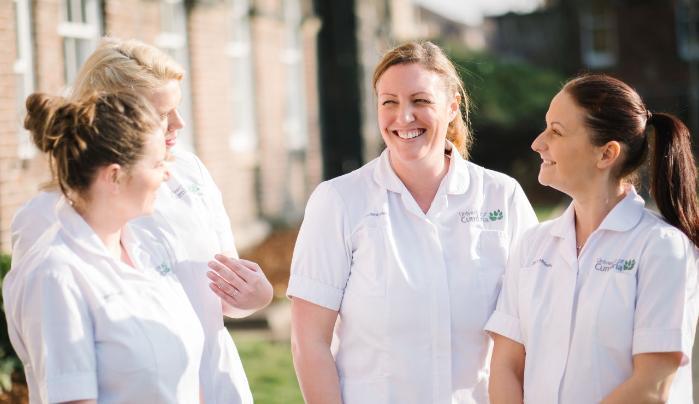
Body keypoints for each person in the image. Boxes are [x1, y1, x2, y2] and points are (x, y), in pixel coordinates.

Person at [9, 37, 271, 404]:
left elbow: (223, 288)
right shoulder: (46, 226)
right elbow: (59, 357)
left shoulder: (189, 173)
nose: (178, 124)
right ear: (114, 123)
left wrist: (255, 295)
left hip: (214, 385)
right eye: (162, 114)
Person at [287, 41, 538, 403]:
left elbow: (533, 325)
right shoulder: (339, 201)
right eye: (389, 102)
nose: (404, 117)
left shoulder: (502, 196)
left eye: (420, 101)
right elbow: (308, 342)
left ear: (452, 107)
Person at [485, 74, 699, 403]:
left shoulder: (662, 248)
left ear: (606, 154)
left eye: (556, 131)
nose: (538, 143)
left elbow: (652, 387)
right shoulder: (531, 246)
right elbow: (506, 368)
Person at [4, 91, 204, 403]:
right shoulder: (56, 276)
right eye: (157, 163)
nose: (168, 173)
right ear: (114, 176)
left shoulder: (146, 250)